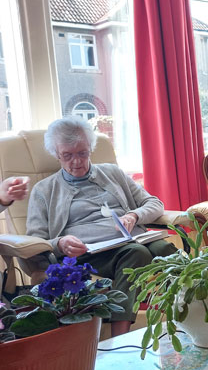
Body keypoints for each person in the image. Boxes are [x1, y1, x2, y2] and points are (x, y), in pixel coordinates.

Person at [26, 117, 176, 337]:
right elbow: (35, 241)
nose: (76, 161)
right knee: (136, 254)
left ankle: (192, 312)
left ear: (90, 149)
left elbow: (155, 203)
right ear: (57, 154)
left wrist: (134, 215)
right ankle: (120, 337)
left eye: (82, 153)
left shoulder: (112, 173)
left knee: (166, 251)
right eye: (67, 155)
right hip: (89, 253)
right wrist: (59, 243)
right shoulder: (44, 190)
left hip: (131, 238)